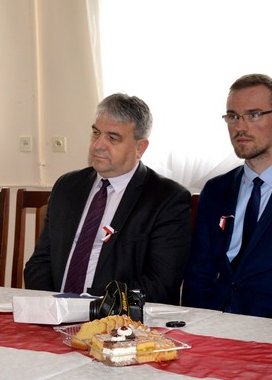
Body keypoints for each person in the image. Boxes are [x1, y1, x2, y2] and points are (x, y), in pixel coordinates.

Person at [182, 74, 272, 320]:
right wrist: (196, 323)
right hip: (214, 322)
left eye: (254, 115)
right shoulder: (216, 190)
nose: (240, 127)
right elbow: (199, 271)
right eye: (233, 116)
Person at [23, 93, 192, 304]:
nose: (98, 145)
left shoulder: (166, 199)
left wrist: (93, 306)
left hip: (117, 318)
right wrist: (53, 304)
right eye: (96, 133)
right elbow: (39, 263)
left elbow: (161, 283)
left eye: (113, 138)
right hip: (55, 309)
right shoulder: (67, 186)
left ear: (140, 147)